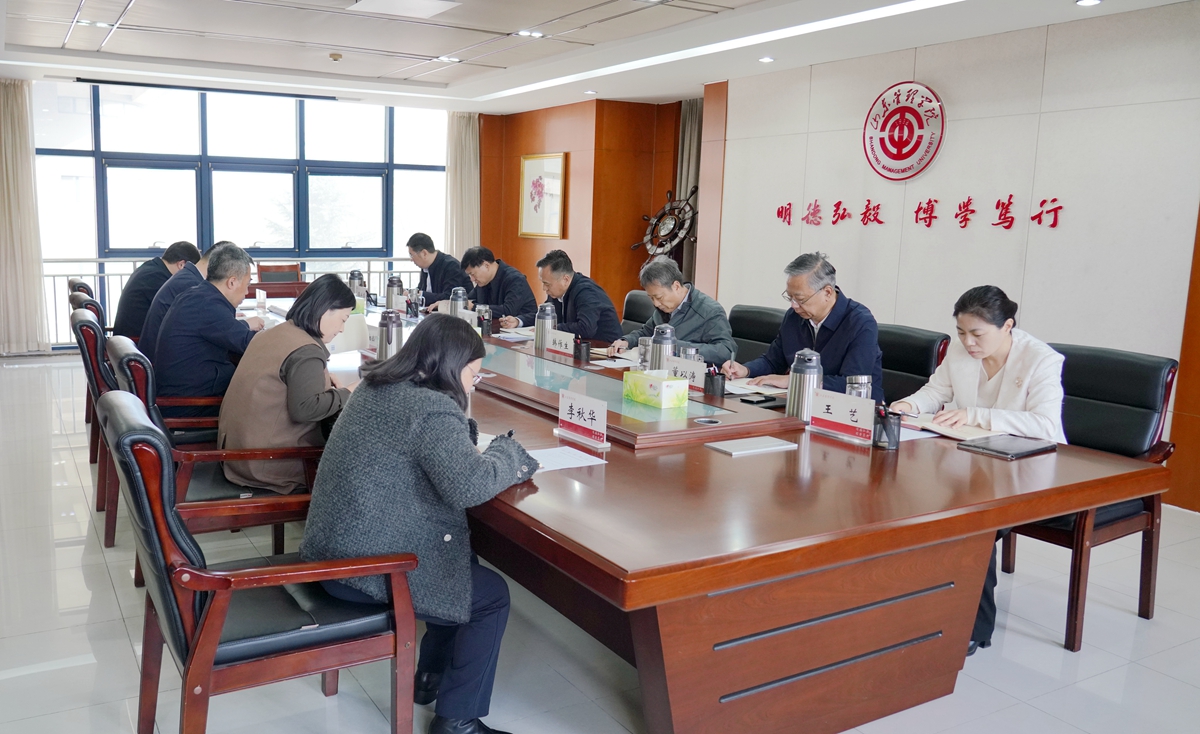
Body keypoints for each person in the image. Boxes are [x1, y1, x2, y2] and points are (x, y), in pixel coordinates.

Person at [300, 314, 537, 734]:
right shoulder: (429, 408)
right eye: (473, 374)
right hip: (364, 569)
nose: (472, 386)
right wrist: (508, 453)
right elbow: (469, 486)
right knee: (491, 597)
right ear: (451, 366)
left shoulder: (378, 386)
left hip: (334, 549)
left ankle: (430, 676)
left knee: (460, 562)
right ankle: (458, 721)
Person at [891, 285, 1065, 657]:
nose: (968, 342)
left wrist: (975, 414)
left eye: (977, 334)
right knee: (917, 503)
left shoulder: (1041, 360)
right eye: (961, 333)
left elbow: (1046, 425)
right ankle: (923, 606)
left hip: (1028, 468)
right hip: (973, 462)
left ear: (1008, 326)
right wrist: (907, 405)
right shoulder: (961, 350)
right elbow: (935, 392)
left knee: (971, 522)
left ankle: (974, 626)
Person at [217, 274, 358, 494]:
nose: (341, 329)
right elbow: (305, 409)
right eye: (343, 319)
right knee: (353, 467)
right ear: (325, 310)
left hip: (235, 452)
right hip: (266, 463)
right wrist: (348, 392)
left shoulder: (273, 333)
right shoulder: (307, 351)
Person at [721, 252, 884, 402]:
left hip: (852, 411)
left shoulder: (860, 323)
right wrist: (746, 370)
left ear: (827, 292)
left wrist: (795, 380)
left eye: (800, 299)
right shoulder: (794, 317)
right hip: (801, 403)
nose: (794, 305)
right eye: (790, 297)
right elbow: (773, 361)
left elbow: (852, 384)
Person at [154, 244, 264, 417]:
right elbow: (250, 344)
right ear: (232, 282)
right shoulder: (209, 305)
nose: (246, 292)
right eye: (247, 284)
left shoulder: (197, 295)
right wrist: (286, 336)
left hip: (183, 393)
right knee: (269, 401)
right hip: (190, 406)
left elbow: (225, 329)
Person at [609, 257, 736, 365]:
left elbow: (726, 351)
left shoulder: (709, 311)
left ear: (676, 286)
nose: (656, 303)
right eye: (651, 298)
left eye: (659, 297)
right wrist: (626, 341)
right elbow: (647, 332)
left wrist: (674, 347)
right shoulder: (663, 308)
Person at [498, 249, 623, 343]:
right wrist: (518, 321)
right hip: (576, 348)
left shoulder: (587, 292)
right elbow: (545, 315)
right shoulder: (556, 291)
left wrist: (548, 329)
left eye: (547, 284)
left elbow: (586, 328)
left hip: (604, 351)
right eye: (543, 283)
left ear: (565, 279)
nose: (544, 288)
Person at [140, 241, 237, 360]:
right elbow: (219, 328)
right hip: (163, 359)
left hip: (160, 353)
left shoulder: (187, 276)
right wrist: (245, 324)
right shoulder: (193, 285)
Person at [113, 241, 201, 338]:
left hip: (126, 340)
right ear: (181, 265)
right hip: (136, 340)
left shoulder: (151, 268)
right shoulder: (159, 279)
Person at [458, 246, 538, 324]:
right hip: (494, 328)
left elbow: (508, 310)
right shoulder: (483, 281)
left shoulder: (515, 279)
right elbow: (470, 300)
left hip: (522, 329)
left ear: (486, 266)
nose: (472, 279)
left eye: (473, 274)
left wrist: (474, 307)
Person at [408, 232, 472, 306]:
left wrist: (421, 294)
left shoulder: (451, 265)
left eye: (412, 255)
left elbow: (449, 297)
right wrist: (412, 293)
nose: (411, 259)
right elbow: (422, 289)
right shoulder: (425, 267)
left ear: (424, 253)